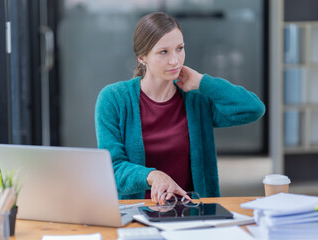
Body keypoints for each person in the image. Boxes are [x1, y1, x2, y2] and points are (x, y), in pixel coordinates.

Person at [94, 12, 265, 204]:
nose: (175, 60)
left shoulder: (196, 99)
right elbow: (113, 169)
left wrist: (202, 82)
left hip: (191, 212)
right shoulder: (114, 99)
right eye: (163, 52)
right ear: (142, 57)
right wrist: (153, 176)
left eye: (180, 48)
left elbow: (253, 108)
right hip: (137, 213)